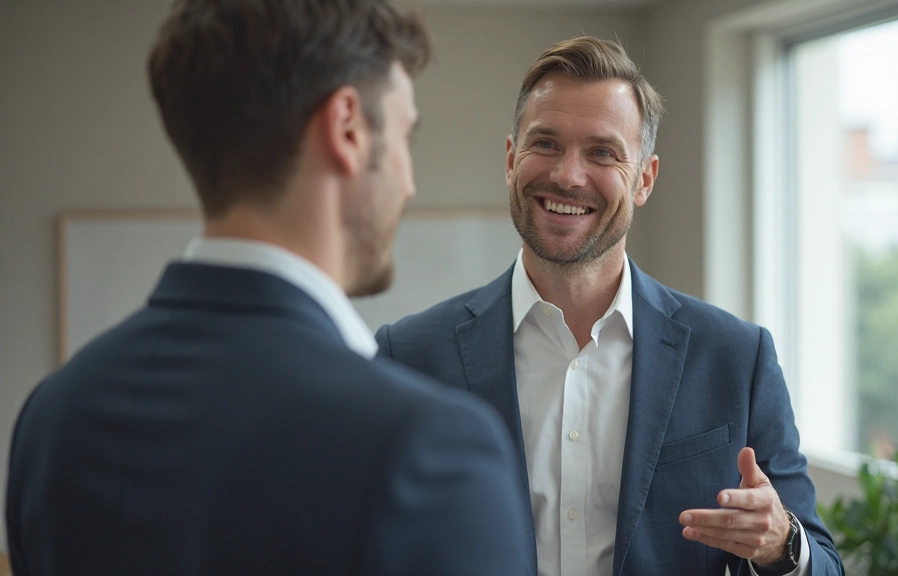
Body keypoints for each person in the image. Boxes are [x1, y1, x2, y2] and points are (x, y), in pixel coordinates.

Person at [4, 1, 530, 575]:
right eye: (406, 137)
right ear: (347, 127)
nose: (409, 183)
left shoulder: (53, 417)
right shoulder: (430, 449)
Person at [375, 37, 845, 576]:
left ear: (644, 179)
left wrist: (780, 543)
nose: (568, 175)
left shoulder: (738, 358)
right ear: (511, 160)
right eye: (545, 144)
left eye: (602, 152)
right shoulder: (406, 357)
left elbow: (825, 565)